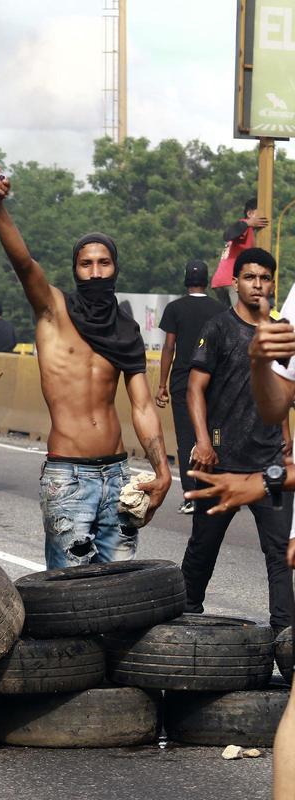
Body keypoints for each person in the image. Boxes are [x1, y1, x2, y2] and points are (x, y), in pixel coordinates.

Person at [0, 167, 171, 568]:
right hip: (68, 477)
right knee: (69, 592)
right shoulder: (53, 311)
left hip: (119, 475)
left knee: (121, 589)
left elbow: (141, 406)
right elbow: (24, 263)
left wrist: (162, 468)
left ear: (115, 268)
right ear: (75, 269)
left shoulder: (125, 329)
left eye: (104, 263)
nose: (96, 272)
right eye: (87, 264)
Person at [183, 247, 292, 630]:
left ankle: (285, 640)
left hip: (270, 470)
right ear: (236, 282)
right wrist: (204, 443)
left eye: (264, 278)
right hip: (221, 464)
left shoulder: (281, 332)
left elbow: (283, 393)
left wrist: (285, 437)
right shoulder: (217, 328)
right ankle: (183, 618)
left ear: (272, 284)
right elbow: (194, 389)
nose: (257, 285)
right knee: (202, 548)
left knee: (281, 557)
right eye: (250, 277)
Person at [154, 260, 225, 513]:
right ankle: (213, 489)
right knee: (213, 435)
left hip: (183, 382)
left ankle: (191, 496)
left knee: (187, 439)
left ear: (186, 280)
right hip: (212, 382)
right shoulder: (219, 309)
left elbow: (169, 347)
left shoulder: (175, 309)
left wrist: (162, 384)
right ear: (206, 281)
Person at [212, 199, 269, 307]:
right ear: (250, 213)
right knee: (241, 318)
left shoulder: (249, 232)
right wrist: (248, 222)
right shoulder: (244, 227)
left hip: (220, 281)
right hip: (231, 281)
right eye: (260, 212)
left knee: (228, 320)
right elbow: (227, 234)